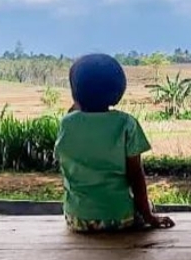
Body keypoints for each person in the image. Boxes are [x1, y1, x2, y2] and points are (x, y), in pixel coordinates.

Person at [55, 53, 174, 232]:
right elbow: (136, 176)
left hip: (77, 219)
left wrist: (79, 101)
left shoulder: (67, 124)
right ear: (119, 90)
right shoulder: (126, 123)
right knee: (147, 205)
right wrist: (148, 216)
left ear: (75, 92)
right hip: (119, 218)